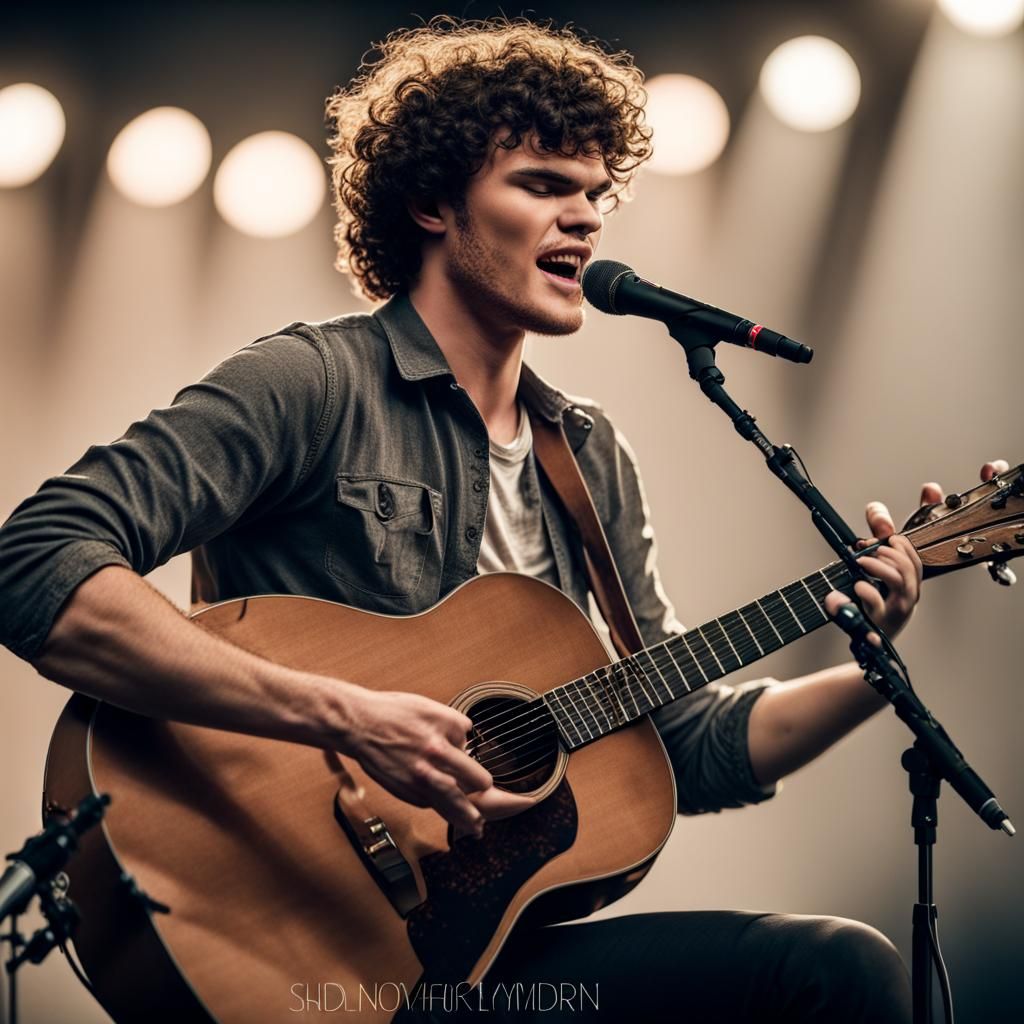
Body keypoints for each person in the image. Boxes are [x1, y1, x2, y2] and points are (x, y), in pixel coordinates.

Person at [0, 15, 1007, 1023]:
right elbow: (37, 558)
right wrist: (348, 716)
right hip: (294, 940)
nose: (585, 220)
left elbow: (683, 745)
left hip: (480, 958)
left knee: (835, 969)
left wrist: (873, 655)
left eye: (595, 194)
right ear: (432, 202)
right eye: (542, 185)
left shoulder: (588, 455)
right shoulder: (313, 382)